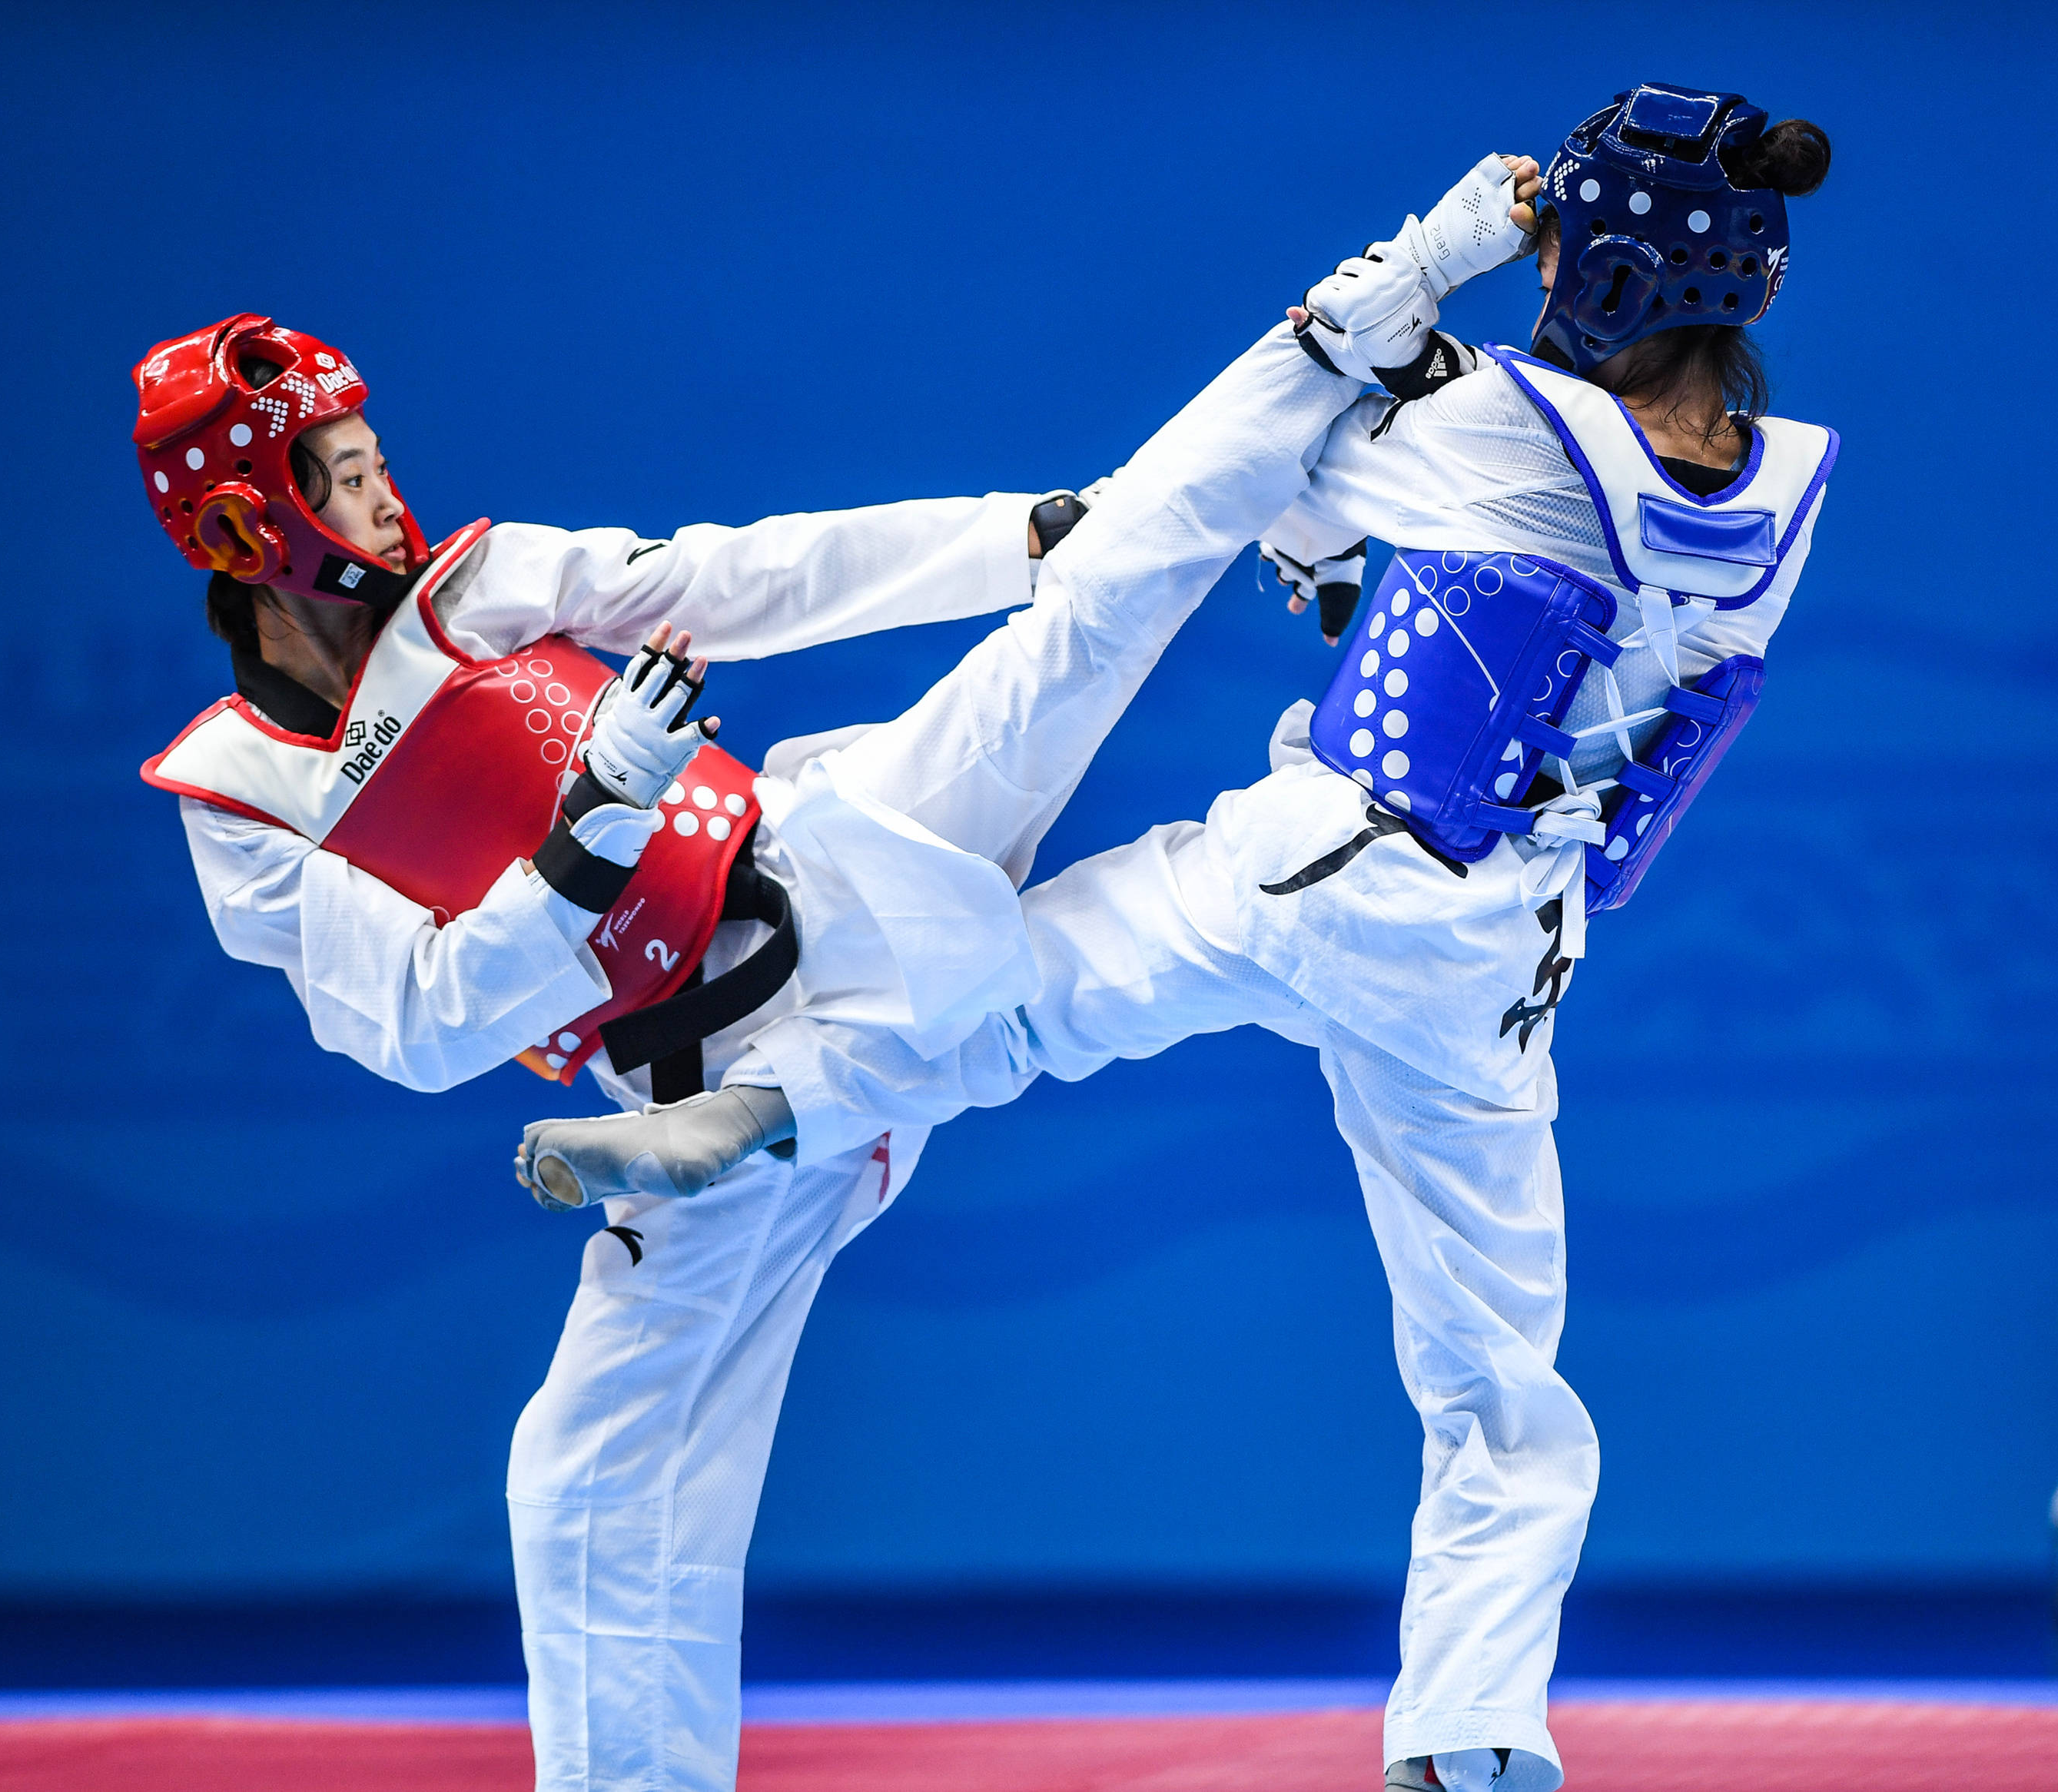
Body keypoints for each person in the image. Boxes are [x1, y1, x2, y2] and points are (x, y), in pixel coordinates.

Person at [138, 148, 1536, 1790]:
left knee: (1099, 594)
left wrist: (1017, 533)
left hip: (835, 854)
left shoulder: (482, 585)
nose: (384, 495)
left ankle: (1407, 272)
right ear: (248, 524)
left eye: (374, 459)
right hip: (704, 1073)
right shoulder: (241, 796)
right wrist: (592, 824)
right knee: (590, 1482)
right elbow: (425, 1023)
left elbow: (742, 572)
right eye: (342, 474)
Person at [524, 85, 1832, 1792]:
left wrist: (1390, 286)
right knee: (1500, 1371)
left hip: (1318, 861)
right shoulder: (1784, 505)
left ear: (1600, 268)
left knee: (1007, 1004)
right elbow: (1576, 644)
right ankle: (1469, 1724)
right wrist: (1379, 578)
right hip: (1500, 960)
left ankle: (766, 1108)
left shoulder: (1503, 420)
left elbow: (1246, 454)